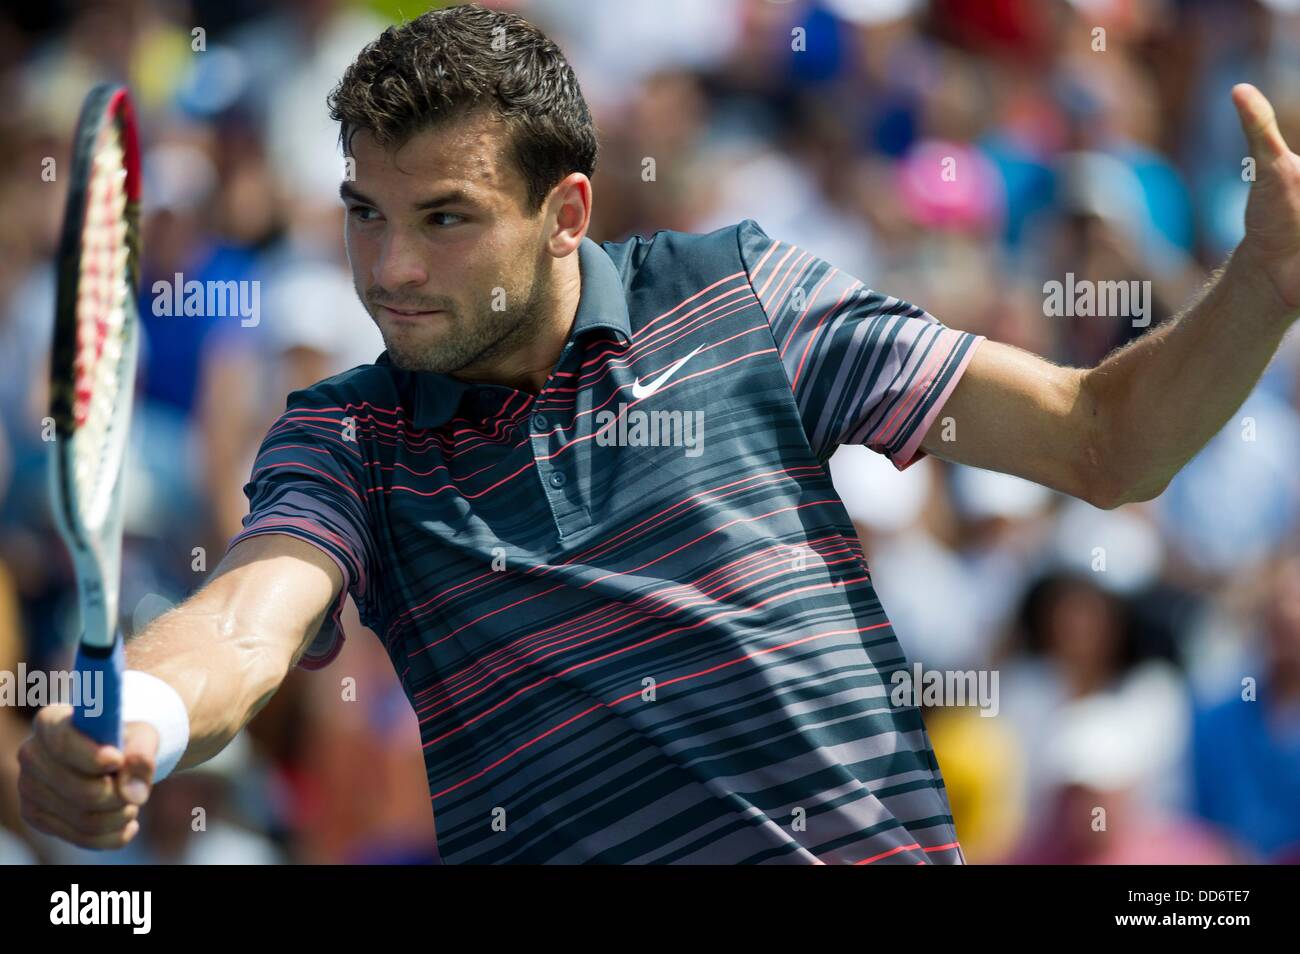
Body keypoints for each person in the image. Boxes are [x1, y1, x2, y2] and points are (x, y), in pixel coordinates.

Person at [17, 3, 1300, 864]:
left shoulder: (743, 293)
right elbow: (244, 619)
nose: (389, 267)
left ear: (567, 210)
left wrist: (1260, 287)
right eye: (365, 211)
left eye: (447, 219)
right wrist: (140, 715)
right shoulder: (348, 440)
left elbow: (1105, 445)